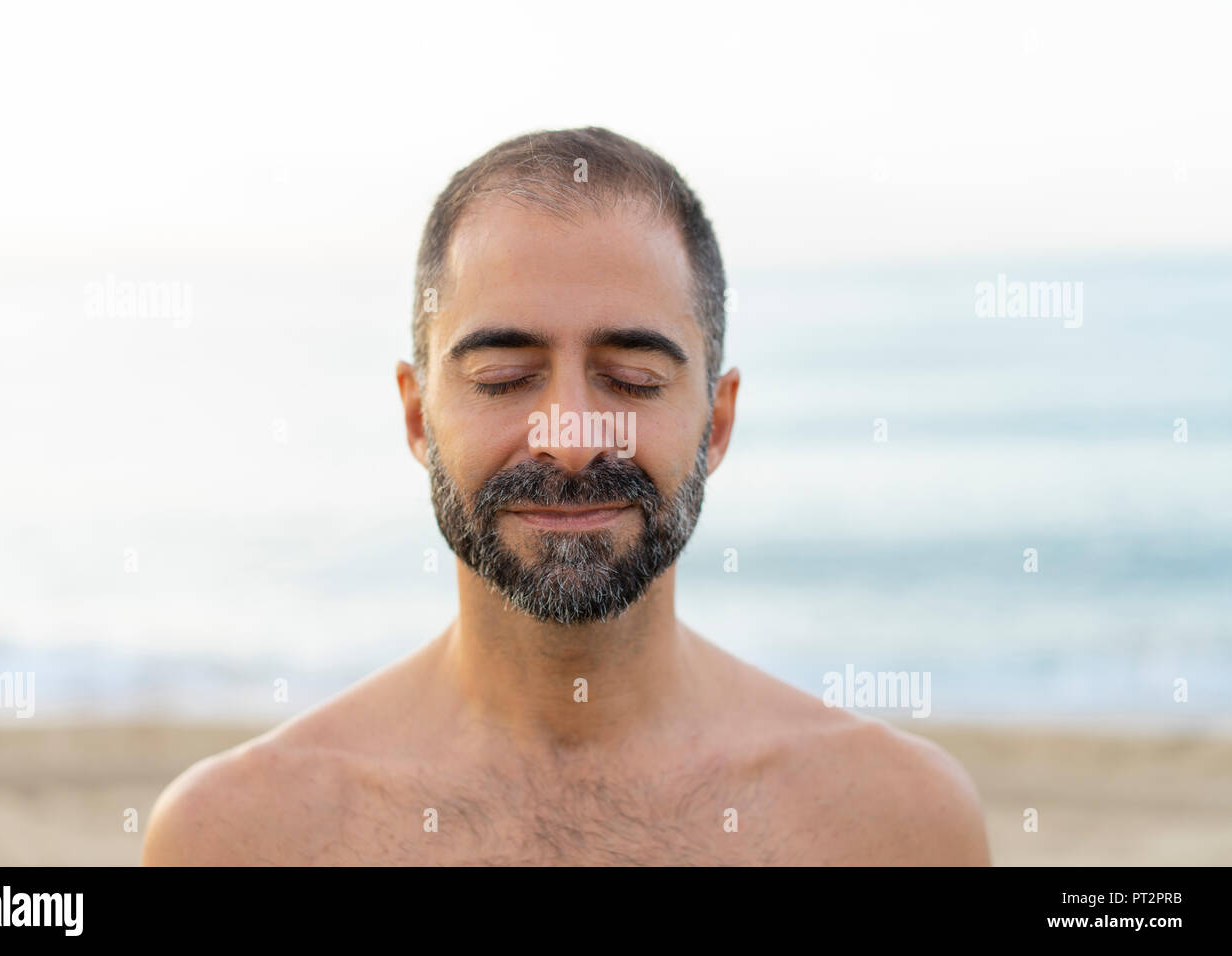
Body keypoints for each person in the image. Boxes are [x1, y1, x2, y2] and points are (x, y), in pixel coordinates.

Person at [143, 127, 990, 865]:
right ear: (416, 417)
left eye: (631, 379)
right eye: (504, 379)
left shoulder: (896, 825)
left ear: (718, 422)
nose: (574, 437)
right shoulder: (238, 836)